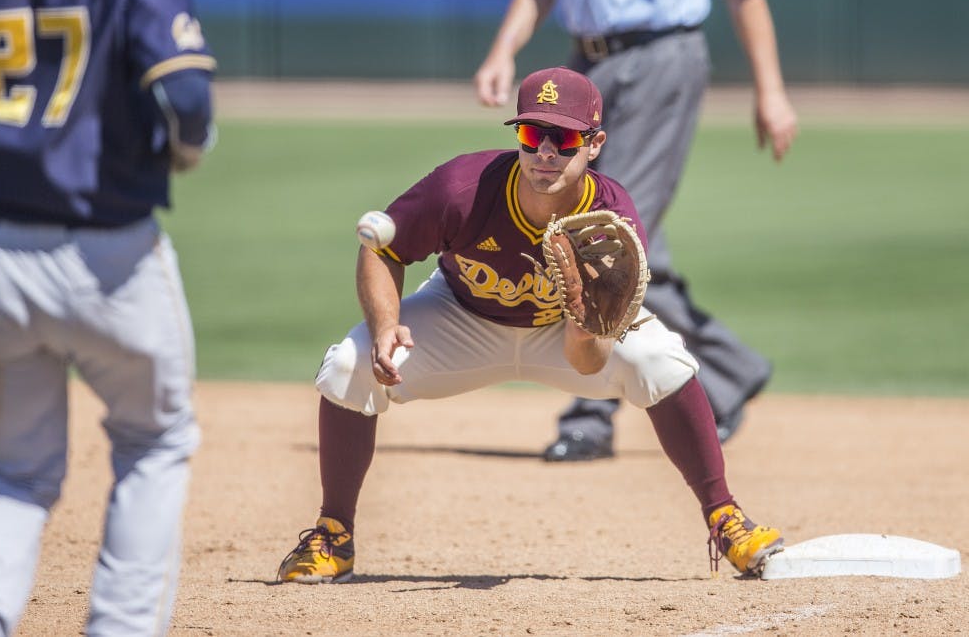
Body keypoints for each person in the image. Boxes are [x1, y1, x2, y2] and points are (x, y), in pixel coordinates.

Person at [275, 66, 783, 586]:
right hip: (460, 317)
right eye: (531, 134)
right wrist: (385, 325)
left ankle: (725, 517)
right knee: (347, 365)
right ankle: (332, 535)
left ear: (594, 144)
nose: (544, 152)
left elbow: (591, 362)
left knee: (663, 361)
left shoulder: (612, 222)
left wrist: (584, 328)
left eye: (562, 139)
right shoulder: (461, 189)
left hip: (560, 337)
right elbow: (381, 248)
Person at [0, 0, 216, 635]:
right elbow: (187, 97)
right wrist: (188, 149)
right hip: (111, 256)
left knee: (13, 470)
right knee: (154, 442)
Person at [475, 0, 798, 461]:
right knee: (638, 252)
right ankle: (729, 373)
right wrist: (502, 51)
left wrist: (771, 90)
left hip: (661, 60)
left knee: (605, 237)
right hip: (586, 68)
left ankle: (591, 416)